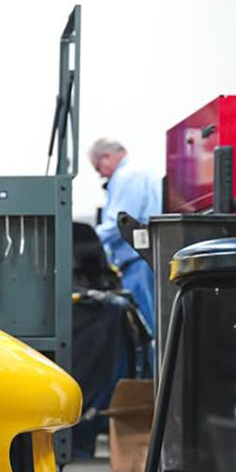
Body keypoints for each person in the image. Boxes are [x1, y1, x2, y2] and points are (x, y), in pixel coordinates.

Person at [89, 137, 161, 332]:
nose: (101, 176)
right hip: (144, 259)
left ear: (106, 157)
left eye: (98, 169)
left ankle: (152, 363)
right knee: (153, 322)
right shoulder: (140, 171)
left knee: (145, 326)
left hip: (137, 262)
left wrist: (90, 240)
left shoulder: (126, 176)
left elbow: (118, 223)